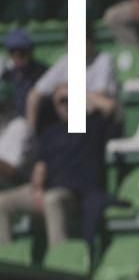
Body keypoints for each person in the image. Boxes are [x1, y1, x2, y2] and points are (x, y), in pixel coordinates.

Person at [0, 85, 112, 253]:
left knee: (51, 200)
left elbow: (111, 107)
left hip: (76, 192)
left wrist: (78, 93)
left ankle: (59, 257)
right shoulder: (51, 132)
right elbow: (40, 166)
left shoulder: (94, 125)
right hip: (47, 189)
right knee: (3, 201)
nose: (66, 105)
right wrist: (37, 187)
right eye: (61, 101)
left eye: (70, 100)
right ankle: (5, 255)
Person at [0, 29, 46, 178]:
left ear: (30, 52)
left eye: (22, 52)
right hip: (6, 123)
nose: (17, 57)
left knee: (20, 127)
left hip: (30, 129)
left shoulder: (41, 74)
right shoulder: (7, 75)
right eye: (14, 52)